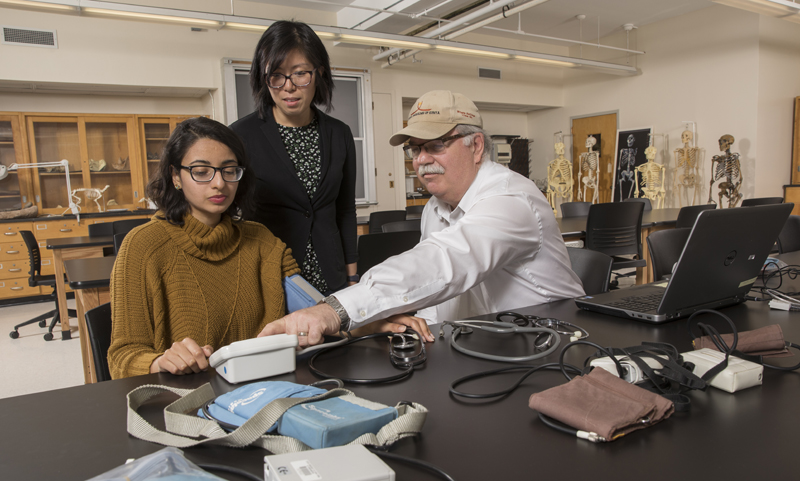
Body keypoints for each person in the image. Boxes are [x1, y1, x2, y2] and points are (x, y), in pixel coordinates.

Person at [260, 90, 585, 347]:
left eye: (436, 145)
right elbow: (437, 291)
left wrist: (336, 310)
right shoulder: (436, 206)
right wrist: (423, 329)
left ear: (476, 146)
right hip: (489, 342)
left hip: (555, 343)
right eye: (415, 150)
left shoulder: (511, 200)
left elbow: (445, 262)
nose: (422, 161)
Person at [107, 117, 300, 379]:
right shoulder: (143, 246)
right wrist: (159, 362)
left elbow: (309, 307)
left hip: (264, 388)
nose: (219, 183)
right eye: (201, 172)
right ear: (176, 176)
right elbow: (122, 357)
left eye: (229, 170)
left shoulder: (262, 240)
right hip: (188, 398)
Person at [230, 20, 357, 295]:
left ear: (319, 73)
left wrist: (352, 277)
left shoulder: (339, 134)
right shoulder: (241, 135)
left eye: (300, 74)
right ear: (263, 78)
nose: (288, 87)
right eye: (276, 75)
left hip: (330, 275)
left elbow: (345, 211)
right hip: (269, 277)